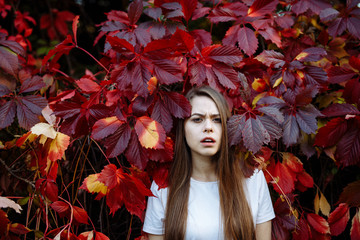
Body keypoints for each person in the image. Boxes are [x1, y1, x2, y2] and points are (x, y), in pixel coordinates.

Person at [143, 86, 275, 240]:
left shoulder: (252, 178)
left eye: (217, 120)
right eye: (197, 119)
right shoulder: (163, 186)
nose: (208, 128)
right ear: (183, 129)